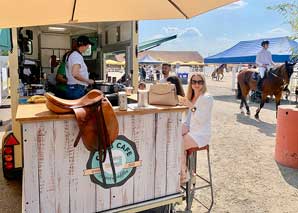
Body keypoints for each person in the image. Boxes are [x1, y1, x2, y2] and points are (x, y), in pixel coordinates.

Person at [179, 73, 214, 183]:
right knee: (170, 136)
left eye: (199, 82)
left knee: (177, 144)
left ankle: (184, 175)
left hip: (200, 133)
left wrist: (191, 106)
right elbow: (187, 119)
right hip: (190, 128)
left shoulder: (207, 98)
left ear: (203, 83)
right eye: (194, 82)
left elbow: (201, 119)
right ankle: (185, 171)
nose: (196, 84)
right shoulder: (191, 96)